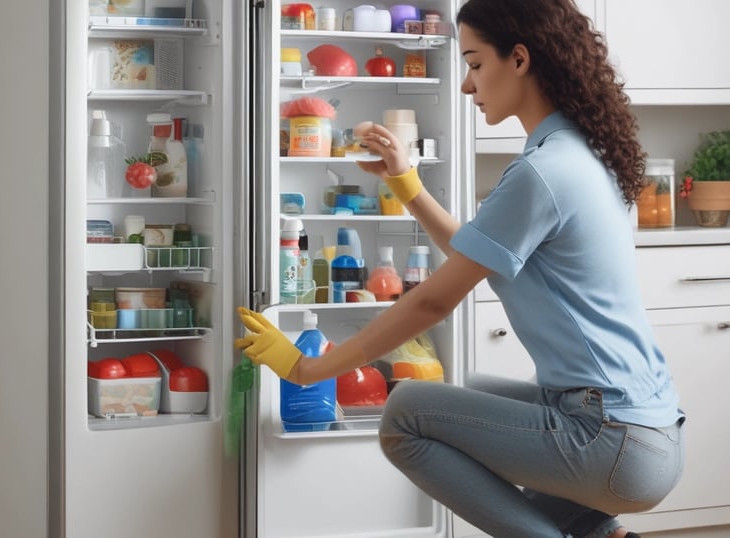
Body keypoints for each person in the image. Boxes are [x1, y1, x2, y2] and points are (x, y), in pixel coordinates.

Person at [236, 0, 685, 536]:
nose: (468, 86)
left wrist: (308, 369)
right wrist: (407, 183)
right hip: (646, 430)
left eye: (474, 63)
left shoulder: (542, 172)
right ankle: (599, 532)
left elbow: (433, 299)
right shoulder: (578, 153)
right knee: (469, 390)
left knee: (406, 411)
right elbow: (474, 255)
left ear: (518, 59)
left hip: (613, 440)